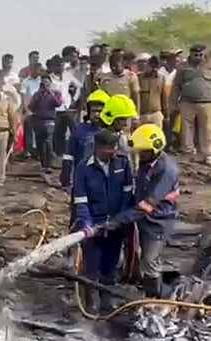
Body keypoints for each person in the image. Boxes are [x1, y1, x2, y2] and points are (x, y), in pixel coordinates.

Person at [105, 124, 179, 298]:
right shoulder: (148, 163)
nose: (139, 155)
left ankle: (153, 300)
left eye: (142, 152)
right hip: (145, 217)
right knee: (140, 254)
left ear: (155, 149)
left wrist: (119, 220)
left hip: (158, 220)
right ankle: (139, 282)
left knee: (150, 260)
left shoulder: (167, 170)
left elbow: (148, 204)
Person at [72, 129, 133, 313]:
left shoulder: (123, 164)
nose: (112, 152)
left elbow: (127, 195)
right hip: (94, 227)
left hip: (116, 226)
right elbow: (81, 201)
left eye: (114, 147)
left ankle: (107, 302)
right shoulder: (84, 168)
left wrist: (120, 220)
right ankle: (90, 303)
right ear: (97, 148)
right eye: (108, 148)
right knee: (91, 267)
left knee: (110, 265)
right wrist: (87, 224)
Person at [61, 89, 110, 191]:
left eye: (100, 111)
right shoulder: (79, 131)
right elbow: (69, 155)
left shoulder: (112, 133)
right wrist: (65, 175)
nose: (97, 114)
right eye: (94, 111)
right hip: (82, 182)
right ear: (88, 111)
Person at [171, 44, 211, 163]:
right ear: (190, 54)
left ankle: (206, 153)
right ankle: (187, 152)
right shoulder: (183, 67)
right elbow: (176, 86)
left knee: (207, 129)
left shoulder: (209, 65)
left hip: (207, 102)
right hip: (187, 102)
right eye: (195, 54)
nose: (198, 57)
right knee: (187, 128)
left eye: (201, 54)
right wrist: (174, 103)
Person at [48, 55, 82, 160]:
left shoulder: (67, 75)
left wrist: (73, 99)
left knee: (74, 130)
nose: (60, 67)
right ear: (53, 66)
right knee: (58, 133)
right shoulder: (49, 77)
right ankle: (58, 154)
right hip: (54, 109)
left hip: (67, 108)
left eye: (62, 65)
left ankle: (77, 151)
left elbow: (79, 86)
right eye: (58, 65)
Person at [28, 73, 63, 169]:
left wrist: (50, 93)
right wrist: (39, 96)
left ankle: (49, 164)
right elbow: (31, 107)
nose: (45, 85)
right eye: (43, 84)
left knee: (48, 142)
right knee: (40, 143)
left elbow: (58, 103)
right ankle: (43, 163)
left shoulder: (56, 93)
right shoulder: (37, 94)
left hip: (49, 120)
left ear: (50, 83)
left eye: (47, 83)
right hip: (38, 120)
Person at [138, 56, 166, 128]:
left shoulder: (161, 78)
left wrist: (166, 114)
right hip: (142, 114)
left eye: (156, 67)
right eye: (152, 66)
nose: (154, 69)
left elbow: (163, 97)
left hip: (156, 113)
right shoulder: (139, 77)